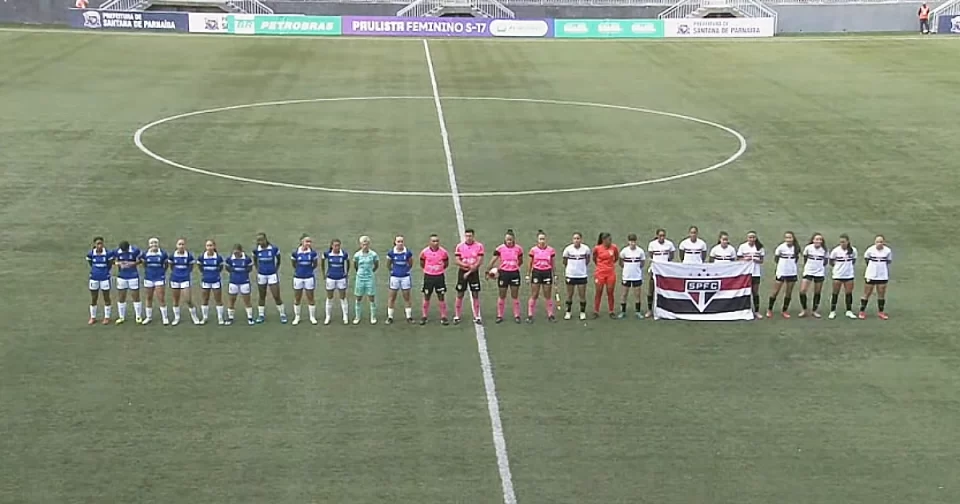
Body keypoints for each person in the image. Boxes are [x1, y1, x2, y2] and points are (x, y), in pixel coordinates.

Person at [487, 229, 524, 324]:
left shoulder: (518, 249)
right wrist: (488, 270)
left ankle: (517, 315)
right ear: (505, 240)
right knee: (502, 295)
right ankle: (500, 315)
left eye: (511, 239)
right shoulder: (500, 249)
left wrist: (514, 267)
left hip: (514, 273)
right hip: (503, 274)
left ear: (514, 239)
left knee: (514, 295)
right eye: (507, 239)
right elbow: (493, 259)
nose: (509, 241)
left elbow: (520, 260)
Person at [253, 232, 286, 324]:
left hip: (272, 275)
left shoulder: (274, 249)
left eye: (262, 239)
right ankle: (261, 315)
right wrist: (258, 269)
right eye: (258, 240)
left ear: (266, 239)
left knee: (276, 295)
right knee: (262, 295)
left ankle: (282, 314)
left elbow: (278, 260)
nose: (260, 242)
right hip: (261, 275)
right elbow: (255, 260)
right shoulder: (256, 250)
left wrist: (276, 269)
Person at [454, 229, 485, 325]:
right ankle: (457, 315)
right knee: (460, 293)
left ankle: (477, 316)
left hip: (473, 273)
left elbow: (479, 261)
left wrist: (470, 270)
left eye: (470, 236)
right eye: (467, 236)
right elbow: (457, 260)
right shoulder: (460, 246)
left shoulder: (479, 246)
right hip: (462, 271)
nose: (468, 238)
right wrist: (466, 266)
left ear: (473, 236)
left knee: (475, 294)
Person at [167, 238, 201, 326]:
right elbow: (171, 266)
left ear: (185, 246)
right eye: (179, 244)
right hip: (174, 279)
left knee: (188, 299)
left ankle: (194, 316)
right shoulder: (172, 256)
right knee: (175, 300)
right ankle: (176, 317)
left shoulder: (189, 256)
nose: (181, 246)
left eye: (182, 244)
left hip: (185, 279)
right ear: (176, 245)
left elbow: (191, 267)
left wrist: (185, 274)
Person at [526, 230, 556, 323]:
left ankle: (550, 315)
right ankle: (530, 315)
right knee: (534, 294)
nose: (542, 241)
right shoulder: (533, 250)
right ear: (537, 240)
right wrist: (528, 274)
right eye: (540, 239)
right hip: (536, 272)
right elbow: (530, 263)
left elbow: (553, 263)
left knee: (547, 295)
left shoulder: (550, 250)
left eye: (543, 239)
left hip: (547, 272)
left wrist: (554, 275)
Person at [768, 231, 800, 319]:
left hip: (792, 272)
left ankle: (784, 310)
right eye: (787, 238)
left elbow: (796, 258)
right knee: (775, 292)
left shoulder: (796, 248)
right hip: (782, 272)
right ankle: (770, 309)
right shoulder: (781, 247)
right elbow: (776, 258)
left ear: (793, 239)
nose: (788, 240)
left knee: (788, 292)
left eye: (790, 238)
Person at [860, 235, 893, 320]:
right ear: (875, 242)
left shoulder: (887, 251)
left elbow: (889, 261)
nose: (879, 244)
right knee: (867, 293)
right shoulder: (870, 250)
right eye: (878, 242)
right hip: (871, 274)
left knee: (881, 294)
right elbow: (866, 259)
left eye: (881, 242)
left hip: (882, 275)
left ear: (884, 242)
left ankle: (881, 312)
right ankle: (862, 311)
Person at [419, 234, 450, 325]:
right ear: (430, 242)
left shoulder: (443, 252)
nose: (435, 243)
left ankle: (443, 316)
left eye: (437, 241)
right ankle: (424, 316)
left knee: (441, 296)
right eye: (433, 241)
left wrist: (439, 269)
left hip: (439, 276)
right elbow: (422, 262)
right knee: (427, 296)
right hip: (428, 276)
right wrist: (428, 269)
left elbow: (446, 263)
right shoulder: (424, 252)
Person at [645, 228, 676, 318]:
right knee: (651, 289)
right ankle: (650, 310)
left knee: (666, 290)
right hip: (655, 270)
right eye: (660, 235)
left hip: (665, 271)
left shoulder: (669, 244)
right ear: (657, 236)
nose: (662, 237)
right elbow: (651, 256)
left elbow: (671, 256)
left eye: (663, 235)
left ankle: (666, 309)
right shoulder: (652, 244)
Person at [828, 234, 858, 320]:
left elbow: (853, 261)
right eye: (841, 242)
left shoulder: (853, 250)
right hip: (838, 275)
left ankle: (849, 311)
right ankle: (832, 311)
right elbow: (831, 261)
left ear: (848, 242)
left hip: (849, 275)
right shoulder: (836, 251)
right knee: (835, 293)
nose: (842, 244)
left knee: (848, 293)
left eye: (844, 242)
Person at [561, 232, 591, 321]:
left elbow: (587, 260)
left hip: (582, 275)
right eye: (575, 238)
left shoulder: (586, 249)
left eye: (578, 238)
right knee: (570, 294)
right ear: (572, 240)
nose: (576, 240)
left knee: (582, 295)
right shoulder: (568, 249)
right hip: (570, 275)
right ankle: (568, 312)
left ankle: (582, 312)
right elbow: (564, 261)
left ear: (581, 239)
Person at [291, 235, 319, 326]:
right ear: (301, 242)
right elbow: (294, 264)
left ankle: (312, 317)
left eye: (309, 242)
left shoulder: (313, 253)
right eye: (307, 241)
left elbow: (314, 265)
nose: (308, 243)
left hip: (309, 277)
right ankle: (297, 317)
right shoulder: (295, 253)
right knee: (297, 298)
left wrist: (308, 271)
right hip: (298, 277)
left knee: (310, 297)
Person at [386, 235, 415, 324]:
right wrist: (393, 271)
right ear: (395, 242)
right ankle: (390, 317)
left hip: (405, 277)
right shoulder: (391, 253)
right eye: (398, 241)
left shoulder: (408, 252)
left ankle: (409, 316)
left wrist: (405, 271)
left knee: (406, 297)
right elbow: (388, 264)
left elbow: (410, 263)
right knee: (392, 297)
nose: (400, 243)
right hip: (395, 277)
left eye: (401, 241)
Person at [798, 233, 828, 318]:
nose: (818, 241)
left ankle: (814, 310)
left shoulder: (824, 250)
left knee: (817, 292)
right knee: (803, 290)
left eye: (820, 240)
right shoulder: (808, 248)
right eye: (816, 239)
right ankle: (804, 309)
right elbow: (805, 258)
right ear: (813, 240)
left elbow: (825, 262)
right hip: (808, 272)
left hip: (819, 273)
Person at [321, 238, 350, 325]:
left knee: (343, 297)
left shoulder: (344, 254)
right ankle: (328, 316)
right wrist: (324, 273)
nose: (337, 247)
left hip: (341, 278)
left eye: (338, 245)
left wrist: (346, 273)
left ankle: (345, 316)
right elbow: (322, 262)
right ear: (331, 246)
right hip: (330, 278)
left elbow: (348, 263)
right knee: (329, 297)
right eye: (335, 245)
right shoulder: (327, 254)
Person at [225, 244, 255, 326]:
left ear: (241, 251)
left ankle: (250, 317)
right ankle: (230, 317)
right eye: (234, 253)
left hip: (244, 282)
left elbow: (249, 269)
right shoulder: (230, 259)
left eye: (237, 252)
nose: (236, 254)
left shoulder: (247, 259)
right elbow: (227, 268)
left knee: (247, 301)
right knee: (232, 300)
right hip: (233, 282)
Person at [86, 236, 115, 325]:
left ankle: (107, 317)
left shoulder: (108, 253)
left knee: (106, 297)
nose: (99, 245)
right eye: (98, 244)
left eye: (101, 243)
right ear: (94, 244)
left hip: (105, 278)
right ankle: (93, 317)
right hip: (94, 278)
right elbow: (90, 263)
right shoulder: (91, 253)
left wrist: (105, 272)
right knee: (94, 298)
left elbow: (110, 265)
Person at [141, 237, 169, 326]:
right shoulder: (145, 254)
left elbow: (166, 265)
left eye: (155, 243)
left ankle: (165, 317)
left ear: (158, 244)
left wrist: (161, 273)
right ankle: (148, 317)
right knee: (148, 298)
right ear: (149, 245)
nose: (154, 245)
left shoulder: (163, 254)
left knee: (161, 298)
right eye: (152, 243)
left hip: (159, 278)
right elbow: (144, 264)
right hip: (148, 278)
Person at [737, 231, 765, 319]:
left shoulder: (760, 247)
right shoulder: (743, 246)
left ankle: (756, 311)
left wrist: (756, 260)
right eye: (750, 237)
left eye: (753, 237)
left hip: (756, 272)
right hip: (745, 273)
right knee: (745, 292)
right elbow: (738, 259)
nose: (751, 239)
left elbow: (762, 260)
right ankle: (745, 310)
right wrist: (746, 259)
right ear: (747, 238)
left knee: (755, 292)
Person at [618, 233, 647, 319]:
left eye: (634, 241)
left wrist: (636, 269)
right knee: (624, 294)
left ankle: (637, 311)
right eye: (631, 241)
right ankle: (623, 311)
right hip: (626, 276)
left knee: (637, 294)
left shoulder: (640, 251)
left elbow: (642, 263)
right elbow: (620, 262)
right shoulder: (624, 251)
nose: (632, 243)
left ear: (636, 242)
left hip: (637, 276)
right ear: (628, 242)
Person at [114, 240, 143, 325]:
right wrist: (119, 264)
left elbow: (141, 260)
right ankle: (121, 317)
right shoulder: (117, 251)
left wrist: (132, 264)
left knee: (136, 296)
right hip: (121, 277)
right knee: (121, 297)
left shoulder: (135, 250)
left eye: (125, 251)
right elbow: (113, 261)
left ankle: (138, 316)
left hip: (133, 276)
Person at [198, 239, 226, 325]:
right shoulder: (202, 257)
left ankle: (220, 318)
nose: (209, 247)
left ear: (214, 247)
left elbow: (220, 268)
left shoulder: (218, 258)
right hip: (206, 281)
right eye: (207, 246)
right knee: (205, 299)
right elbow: (200, 268)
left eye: (211, 245)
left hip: (216, 281)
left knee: (218, 299)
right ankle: (204, 317)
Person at [353, 236, 379, 325]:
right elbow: (355, 265)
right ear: (360, 245)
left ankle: (373, 317)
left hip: (369, 278)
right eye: (363, 244)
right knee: (358, 297)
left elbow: (376, 265)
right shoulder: (357, 255)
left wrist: (371, 272)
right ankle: (357, 317)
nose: (365, 246)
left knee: (371, 297)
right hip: (360, 278)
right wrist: (360, 273)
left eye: (367, 244)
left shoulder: (373, 254)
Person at [592, 232, 619, 319]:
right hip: (600, 273)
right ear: (603, 240)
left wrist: (610, 266)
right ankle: (596, 311)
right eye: (609, 240)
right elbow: (594, 258)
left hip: (610, 273)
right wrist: (600, 266)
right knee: (598, 291)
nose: (610, 241)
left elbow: (616, 257)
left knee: (610, 292)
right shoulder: (597, 248)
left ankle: (611, 311)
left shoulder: (614, 247)